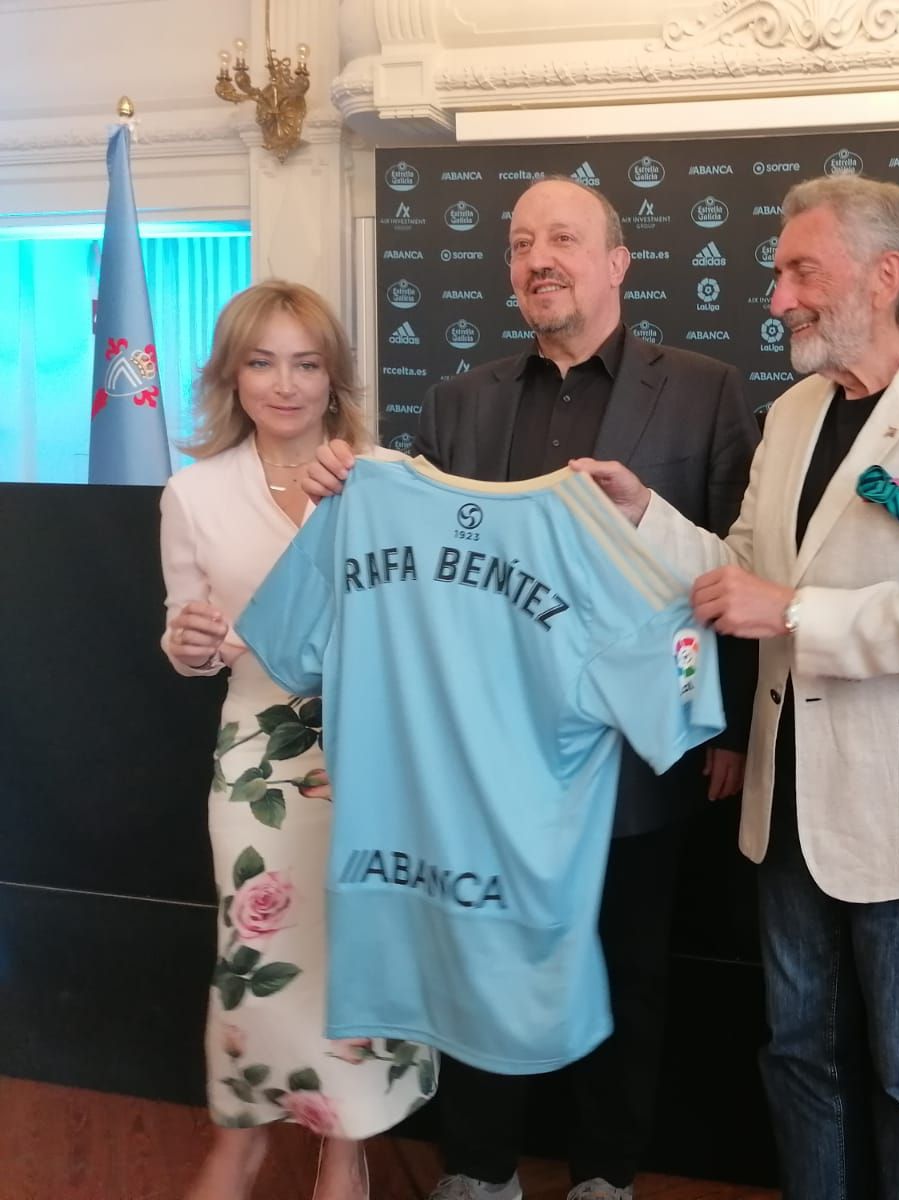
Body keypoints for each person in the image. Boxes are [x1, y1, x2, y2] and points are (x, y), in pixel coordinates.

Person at [572, 173, 899, 1200]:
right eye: (779, 274)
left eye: (801, 273)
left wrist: (789, 613)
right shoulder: (788, 415)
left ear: (884, 276)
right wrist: (646, 511)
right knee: (797, 1057)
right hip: (785, 811)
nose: (778, 299)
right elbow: (738, 561)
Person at [308, 175, 757, 1200]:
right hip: (483, 766)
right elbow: (416, 579)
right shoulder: (461, 402)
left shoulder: (704, 388)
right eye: (519, 244)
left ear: (616, 262)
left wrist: (726, 727)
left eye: (563, 238)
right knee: (478, 958)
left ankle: (606, 1175)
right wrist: (347, 484)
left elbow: (738, 560)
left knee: (631, 972)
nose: (538, 259)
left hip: (638, 749)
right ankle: (478, 1170)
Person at [159, 281, 437, 1200]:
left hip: (377, 755)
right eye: (263, 361)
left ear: (335, 377)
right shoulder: (192, 493)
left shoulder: (388, 479)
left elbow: (427, 625)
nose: (286, 384)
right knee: (258, 953)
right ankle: (243, 1135)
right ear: (232, 376)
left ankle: (348, 1138)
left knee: (363, 944)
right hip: (259, 761)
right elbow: (185, 637)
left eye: (307, 363)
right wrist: (188, 643)